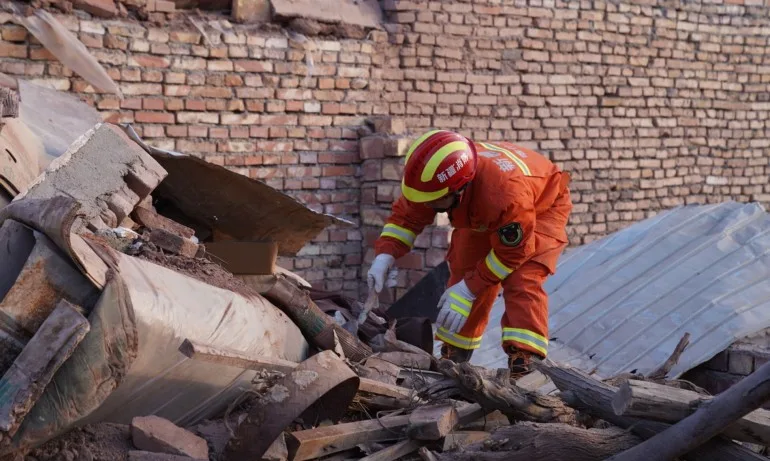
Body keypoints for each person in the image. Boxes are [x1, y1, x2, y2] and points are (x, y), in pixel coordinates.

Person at [366, 130, 572, 378]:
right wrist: (385, 255)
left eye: (435, 201)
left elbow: (514, 252)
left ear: (458, 189)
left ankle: (525, 360)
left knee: (522, 278)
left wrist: (469, 289)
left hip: (542, 207)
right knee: (465, 268)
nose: (428, 206)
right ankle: (456, 352)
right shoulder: (434, 178)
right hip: (485, 209)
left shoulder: (504, 194)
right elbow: (407, 215)